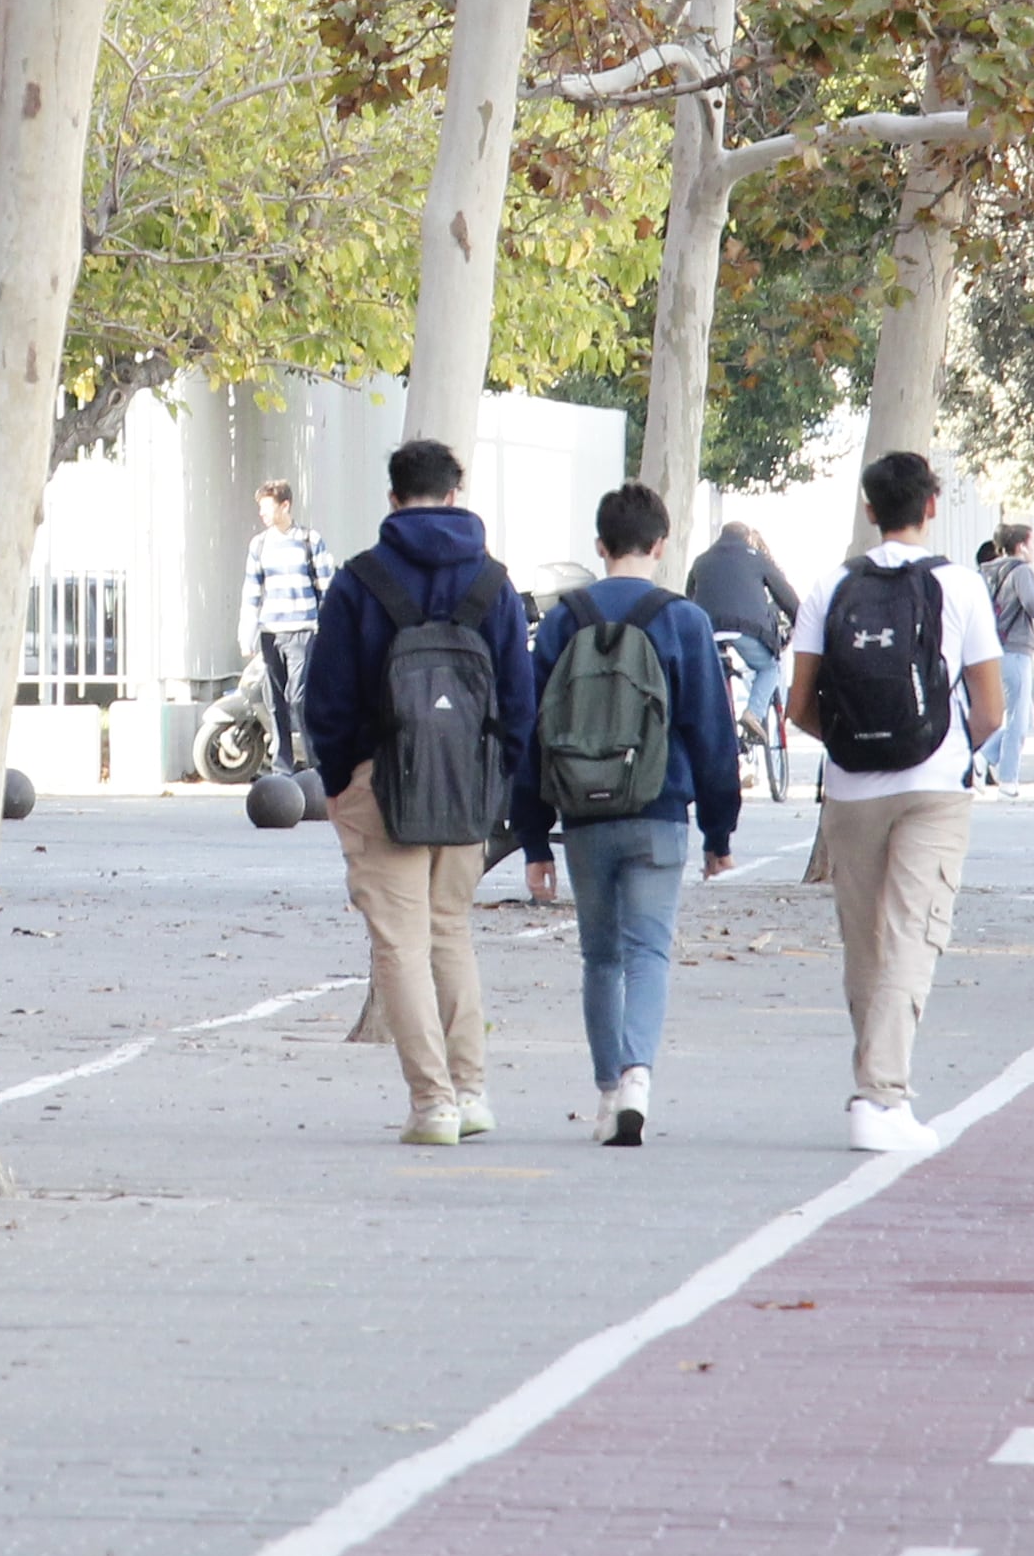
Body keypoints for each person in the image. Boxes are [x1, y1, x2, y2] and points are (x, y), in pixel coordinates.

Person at [298, 438, 536, 1147]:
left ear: (394, 498)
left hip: (381, 782)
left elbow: (327, 698)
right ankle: (471, 1092)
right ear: (455, 496)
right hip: (466, 786)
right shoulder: (492, 583)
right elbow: (519, 703)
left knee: (399, 945)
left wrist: (341, 780)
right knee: (450, 931)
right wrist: (497, 781)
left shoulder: (359, 581)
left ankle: (431, 1103)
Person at [785, 448, 1008, 1154]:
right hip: (935, 787)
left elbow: (798, 706)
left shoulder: (829, 586)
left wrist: (855, 746)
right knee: (915, 931)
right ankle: (881, 1096)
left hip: (851, 790)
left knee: (865, 940)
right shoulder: (962, 587)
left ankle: (876, 1085)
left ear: (869, 507)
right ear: (932, 506)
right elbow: (993, 708)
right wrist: (943, 748)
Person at [512, 484, 743, 1146]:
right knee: (649, 950)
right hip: (660, 809)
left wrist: (533, 840)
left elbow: (534, 732)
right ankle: (638, 1077)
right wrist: (718, 830)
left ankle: (607, 1090)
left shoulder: (563, 621)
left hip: (584, 817)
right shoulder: (684, 620)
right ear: (661, 544)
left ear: (600, 546)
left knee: (600, 955)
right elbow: (711, 732)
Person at [241, 478, 330, 771]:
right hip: (270, 634)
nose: (262, 514)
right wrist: (247, 634)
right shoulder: (259, 544)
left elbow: (327, 588)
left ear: (285, 505)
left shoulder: (310, 540)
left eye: (267, 507)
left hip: (303, 632)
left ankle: (317, 765)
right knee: (275, 700)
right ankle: (283, 768)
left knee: (299, 699)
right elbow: (251, 592)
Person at [685, 517, 800, 732]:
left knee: (707, 675)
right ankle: (753, 714)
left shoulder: (700, 560)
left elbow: (688, 597)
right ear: (747, 538)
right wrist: (799, 621)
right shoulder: (757, 558)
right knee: (769, 668)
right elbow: (786, 597)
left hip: (708, 631)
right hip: (747, 630)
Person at [977, 520, 1034, 789]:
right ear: (1021, 546)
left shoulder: (986, 572)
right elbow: (1033, 602)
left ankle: (984, 756)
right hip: (1015, 647)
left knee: (1023, 716)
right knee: (1018, 718)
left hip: (993, 648)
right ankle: (1008, 777)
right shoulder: (1021, 571)